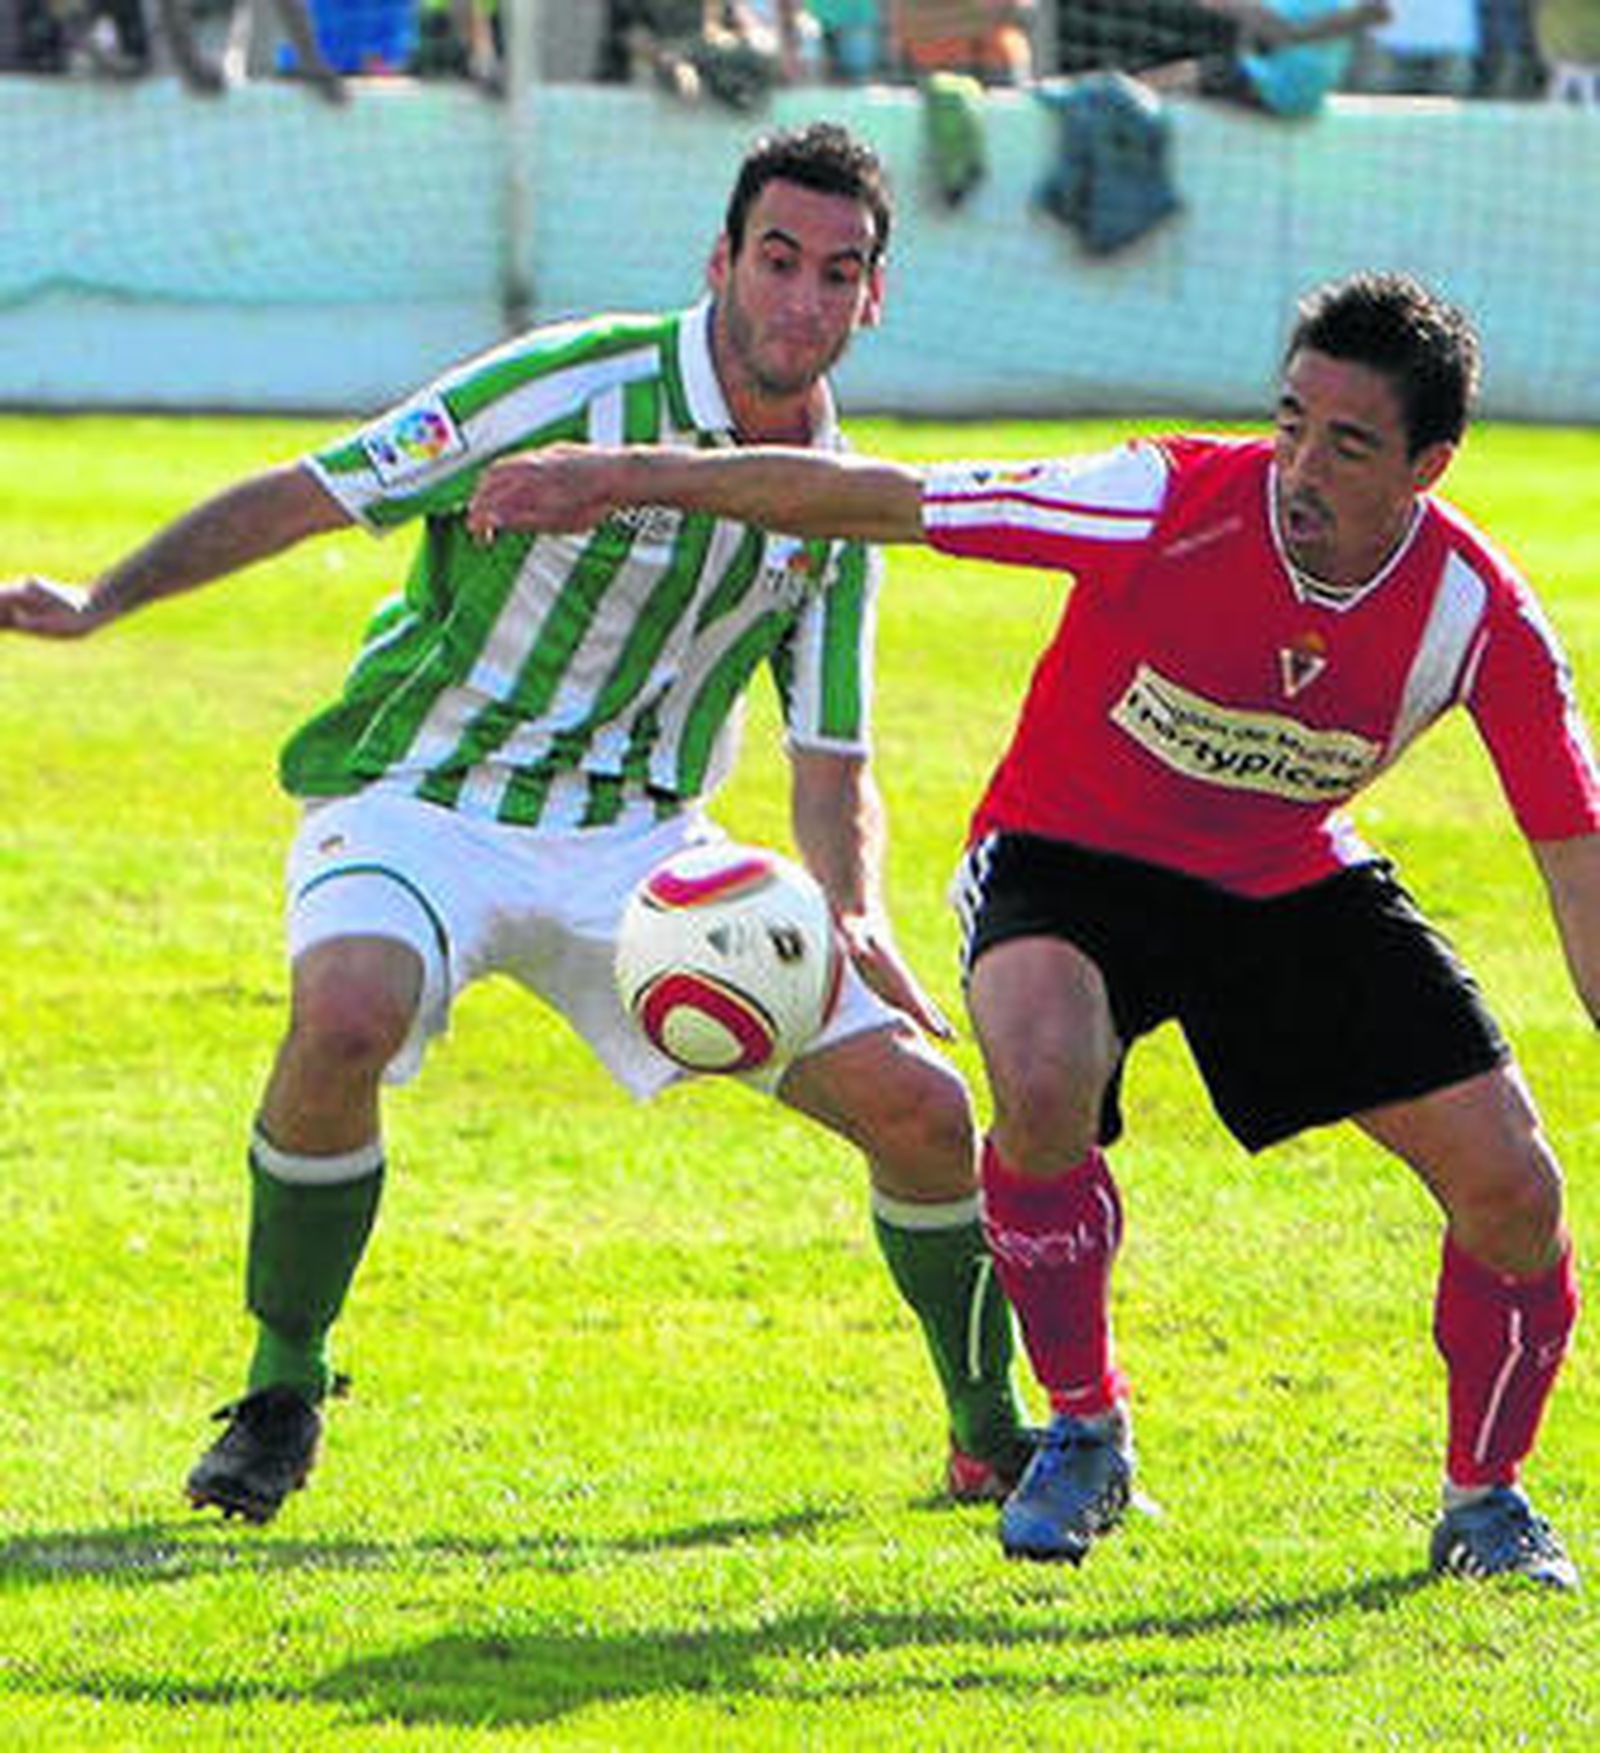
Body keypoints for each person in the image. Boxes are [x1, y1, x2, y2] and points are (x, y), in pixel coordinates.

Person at [466, 271, 1595, 1589]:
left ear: (1430, 465)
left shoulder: (1482, 618)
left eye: (1347, 445)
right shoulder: (1159, 497)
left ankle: (1488, 1501)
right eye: (1289, 422)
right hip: (1071, 853)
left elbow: (1575, 864)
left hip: (1283, 875)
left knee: (1515, 1186)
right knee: (1042, 1070)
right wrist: (622, 476)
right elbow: (880, 497)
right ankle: (1083, 1424)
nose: (1300, 466)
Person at [0, 123, 1030, 1525]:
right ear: (720, 261)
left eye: (838, 272)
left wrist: (851, 909)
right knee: (348, 1009)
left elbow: (831, 749)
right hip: (426, 799)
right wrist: (101, 601)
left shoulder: (833, 497)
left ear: (875, 297)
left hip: (646, 853)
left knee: (925, 1107)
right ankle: (281, 1386)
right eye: (777, 259)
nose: (802, 299)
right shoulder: (568, 381)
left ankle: (990, 1435)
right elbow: (319, 489)